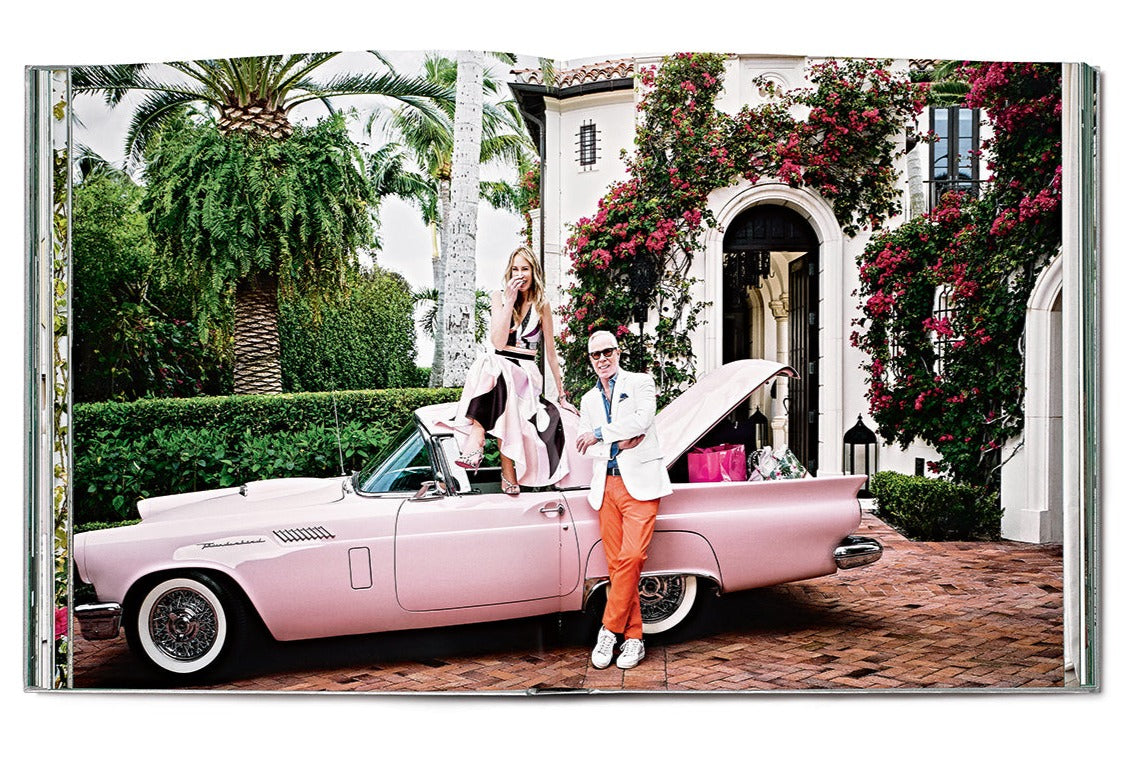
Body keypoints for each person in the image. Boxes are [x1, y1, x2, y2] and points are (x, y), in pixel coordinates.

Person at [442, 246, 575, 495]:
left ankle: (477, 439)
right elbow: (498, 343)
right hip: (500, 372)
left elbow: (552, 355)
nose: (520, 274)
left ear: (534, 272)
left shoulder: (541, 305)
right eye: (515, 269)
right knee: (492, 365)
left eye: (525, 268)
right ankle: (505, 472)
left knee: (494, 367)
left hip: (524, 374)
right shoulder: (499, 297)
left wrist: (562, 396)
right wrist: (509, 301)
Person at [576, 329, 672, 670]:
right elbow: (582, 442)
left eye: (607, 352)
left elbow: (641, 420)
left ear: (618, 352)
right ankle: (633, 640)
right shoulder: (588, 400)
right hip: (607, 487)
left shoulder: (641, 383)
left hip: (641, 486)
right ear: (590, 360)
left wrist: (601, 435)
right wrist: (620, 441)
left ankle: (608, 629)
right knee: (617, 567)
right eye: (595, 355)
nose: (602, 359)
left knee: (632, 557)